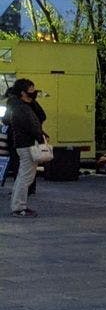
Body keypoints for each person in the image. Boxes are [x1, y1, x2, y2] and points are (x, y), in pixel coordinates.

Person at [6, 79, 46, 218]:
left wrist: (32, 101)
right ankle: (19, 207)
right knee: (26, 177)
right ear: (23, 93)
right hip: (26, 144)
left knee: (23, 176)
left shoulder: (21, 105)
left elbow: (41, 116)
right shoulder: (21, 108)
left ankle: (17, 205)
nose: (34, 92)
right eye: (31, 90)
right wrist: (41, 137)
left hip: (23, 144)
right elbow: (31, 126)